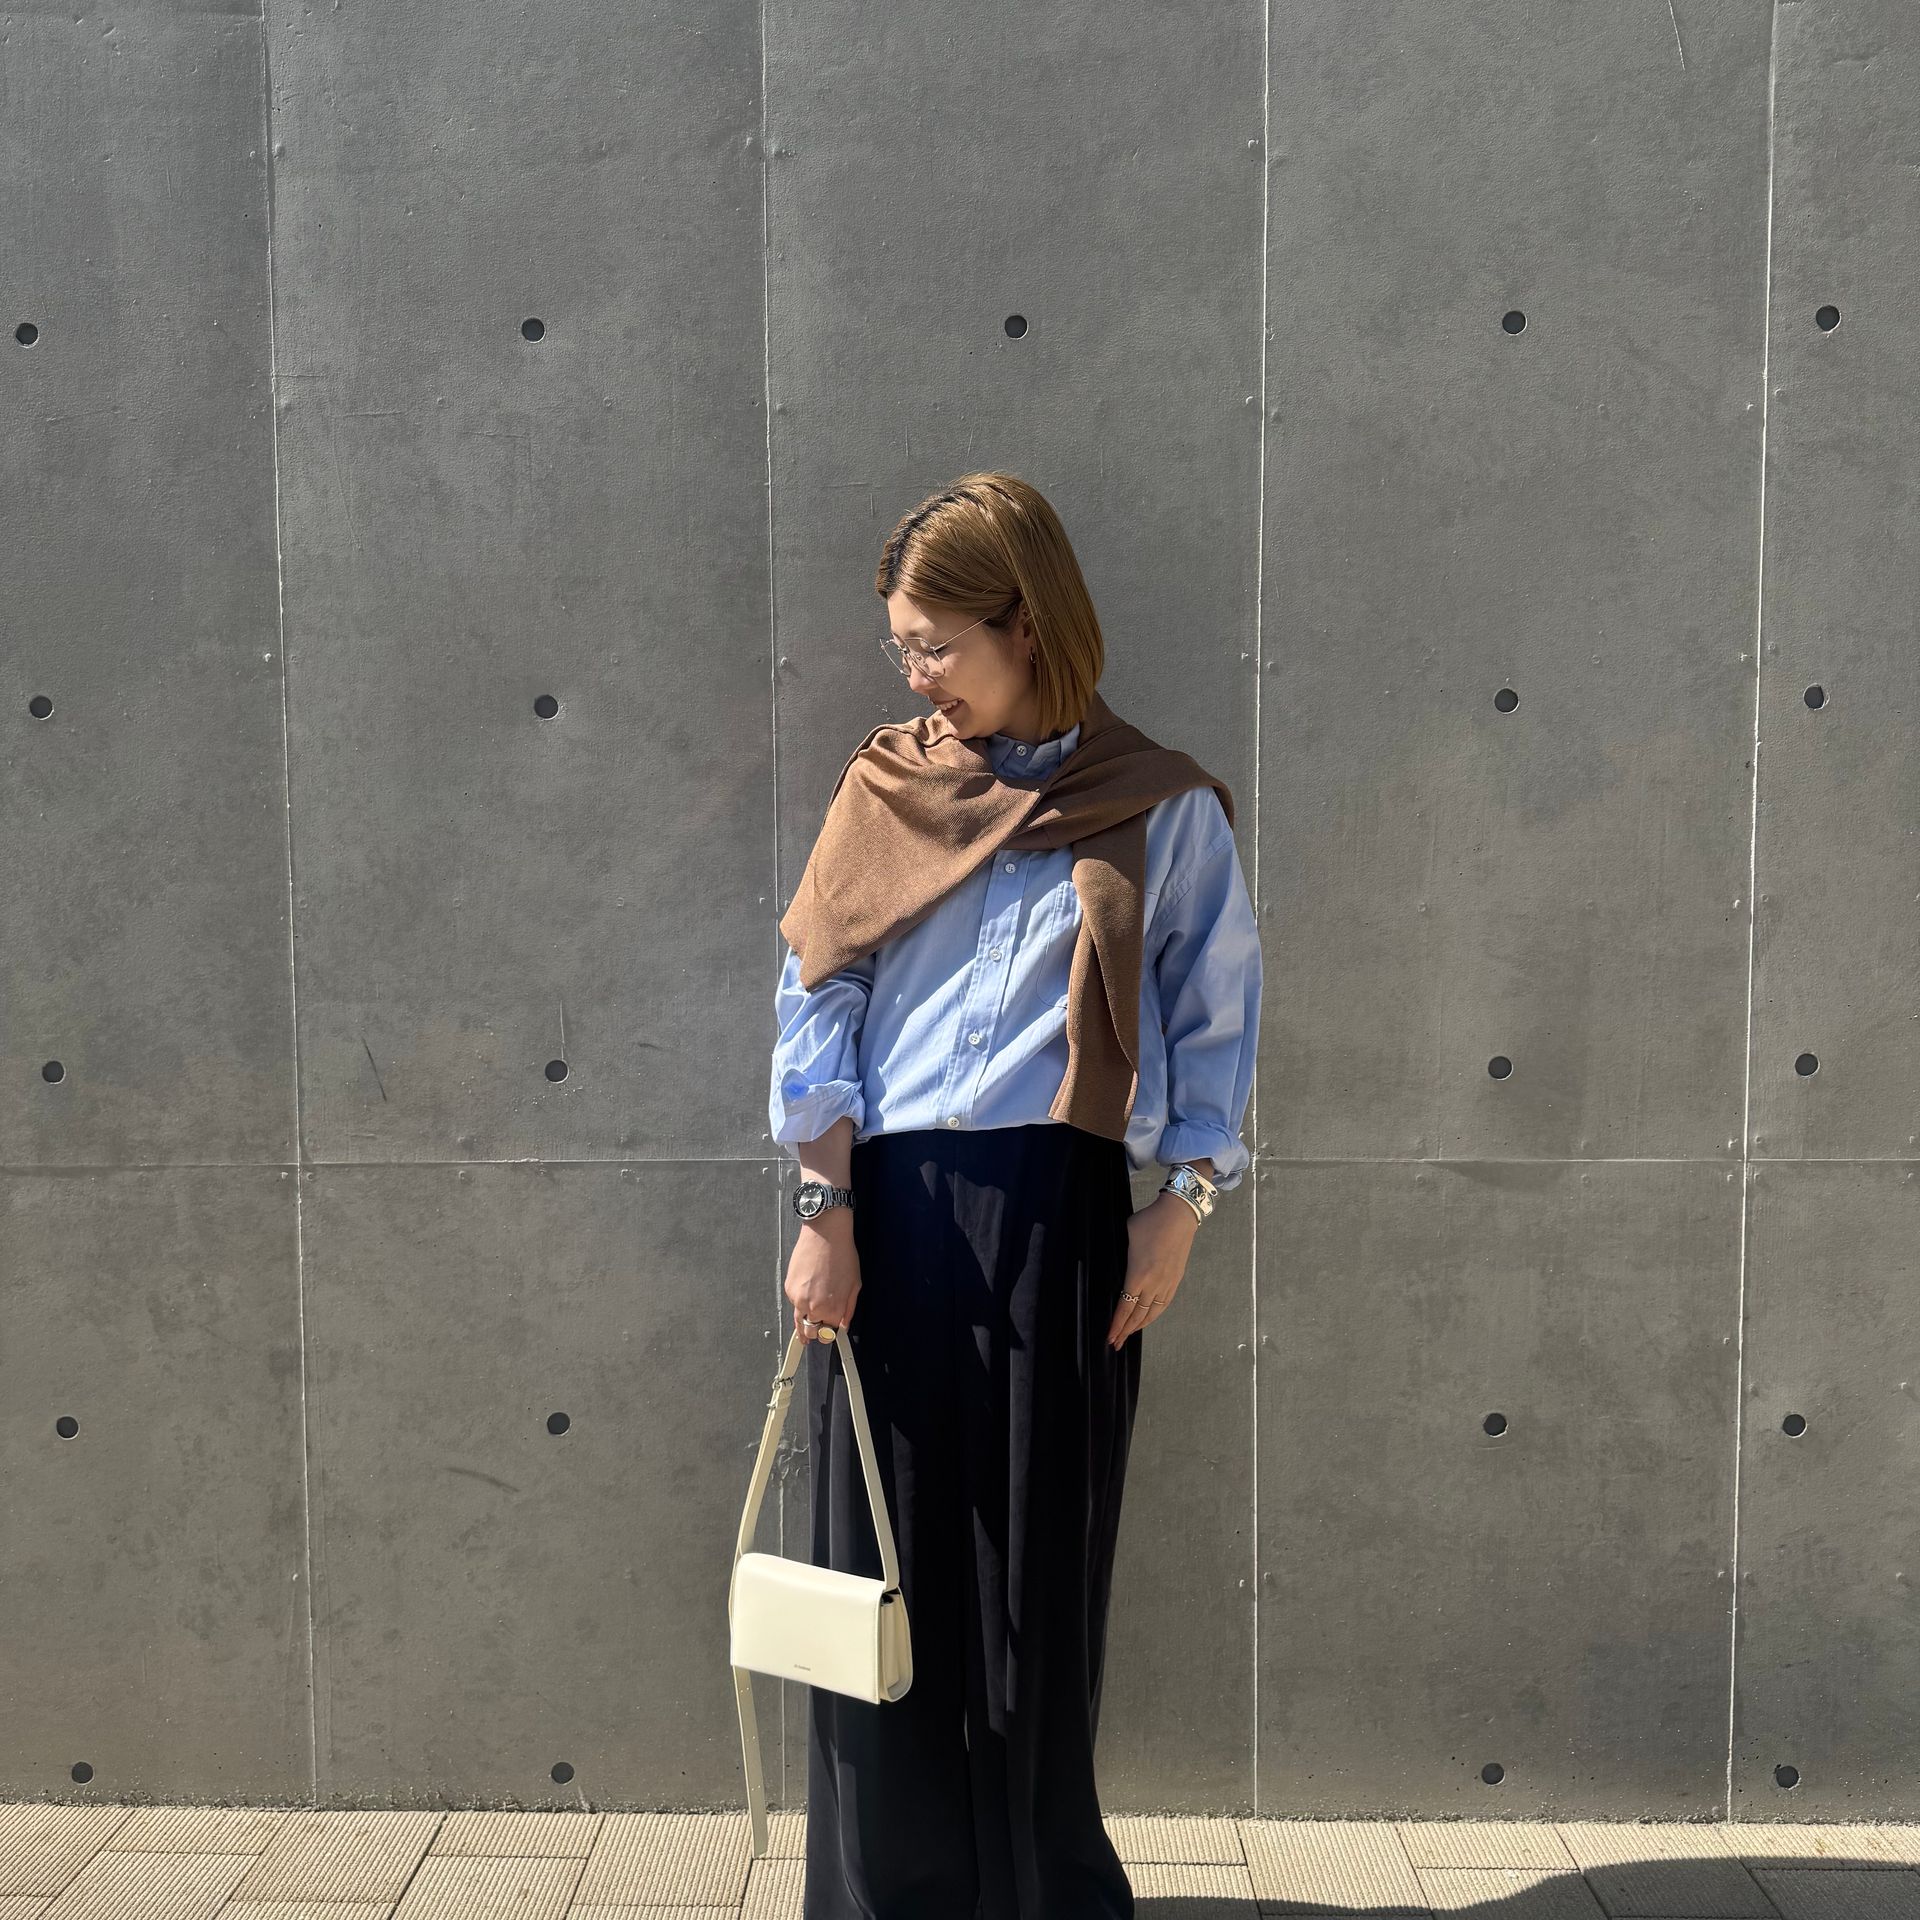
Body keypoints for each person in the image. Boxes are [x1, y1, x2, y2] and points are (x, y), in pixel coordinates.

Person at [768, 471, 1261, 1920]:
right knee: (886, 1563)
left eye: (938, 645)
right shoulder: (888, 786)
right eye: (902, 647)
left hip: (1063, 1214)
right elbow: (818, 992)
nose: (917, 676)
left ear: (1028, 624)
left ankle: (1036, 1895)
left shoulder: (1156, 804)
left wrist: (1185, 1206)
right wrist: (822, 1210)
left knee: (1035, 1579)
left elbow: (1217, 1019)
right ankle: (888, 1895)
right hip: (889, 1209)